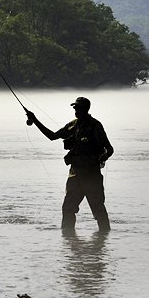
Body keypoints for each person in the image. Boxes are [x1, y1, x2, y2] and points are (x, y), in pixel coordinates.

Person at [25, 97, 113, 233]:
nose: (76, 110)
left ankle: (104, 239)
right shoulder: (72, 125)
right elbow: (52, 136)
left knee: (98, 209)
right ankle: (68, 241)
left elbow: (110, 149)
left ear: (86, 109)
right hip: (75, 175)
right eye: (75, 108)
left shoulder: (96, 126)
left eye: (78, 108)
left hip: (92, 176)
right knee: (67, 208)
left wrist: (98, 161)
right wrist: (35, 119)